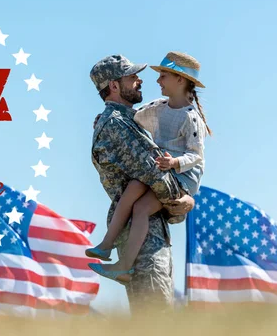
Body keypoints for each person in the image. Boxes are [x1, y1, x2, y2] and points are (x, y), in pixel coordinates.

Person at [87, 52, 211, 286]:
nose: (142, 80)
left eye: (162, 75)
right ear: (114, 85)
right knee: (155, 313)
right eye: (132, 76)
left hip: (148, 234)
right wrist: (184, 202)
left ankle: (108, 247)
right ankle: (108, 247)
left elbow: (181, 159)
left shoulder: (132, 119)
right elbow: (157, 175)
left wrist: (185, 200)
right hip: (144, 247)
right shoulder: (117, 123)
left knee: (155, 317)